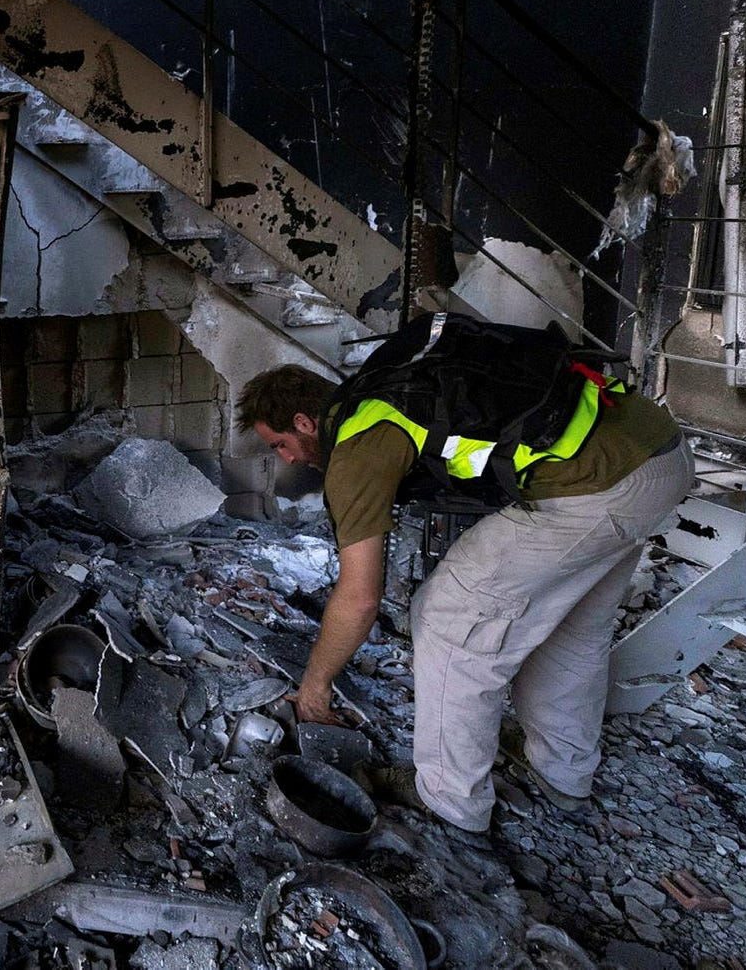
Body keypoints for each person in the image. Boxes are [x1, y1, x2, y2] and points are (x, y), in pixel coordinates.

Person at [235, 319, 691, 833]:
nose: (288, 458)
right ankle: (561, 771)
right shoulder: (382, 392)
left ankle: (451, 798)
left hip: (599, 484)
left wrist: (316, 686)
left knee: (448, 617)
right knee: (571, 628)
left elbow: (360, 597)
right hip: (656, 452)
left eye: (279, 444)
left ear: (304, 422)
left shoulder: (359, 446)